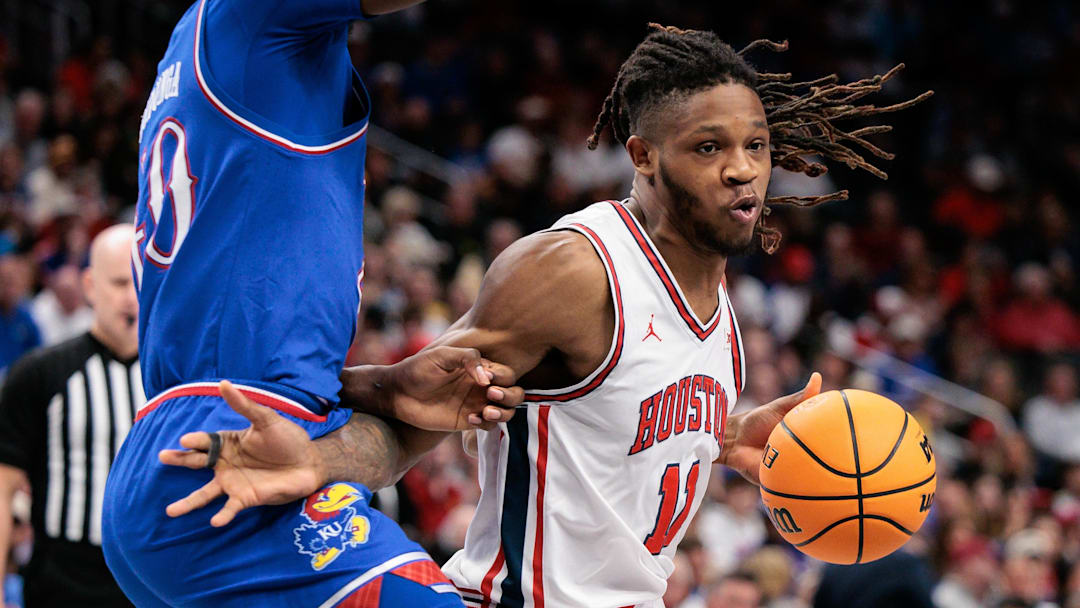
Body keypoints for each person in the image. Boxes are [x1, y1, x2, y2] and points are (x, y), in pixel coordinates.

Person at [163, 24, 929, 607]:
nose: (742, 168)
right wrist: (321, 458)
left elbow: (615, 423)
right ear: (644, 156)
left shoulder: (723, 319)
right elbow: (418, 409)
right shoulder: (575, 269)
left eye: (756, 146)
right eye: (709, 146)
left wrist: (722, 437)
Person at [101, 1, 519, 607]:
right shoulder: (252, 18)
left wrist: (387, 392)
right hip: (224, 445)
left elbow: (342, 452)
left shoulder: (213, 49)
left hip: (220, 452)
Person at [0, 225, 143, 607]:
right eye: (118, 283)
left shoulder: (175, 381)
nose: (131, 297)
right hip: (63, 584)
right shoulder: (40, 373)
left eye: (141, 281)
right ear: (90, 286)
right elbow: (3, 485)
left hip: (151, 582)